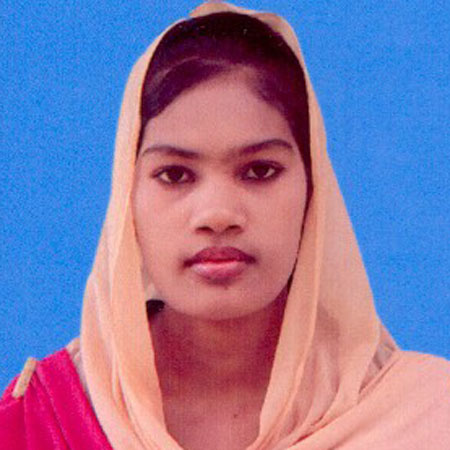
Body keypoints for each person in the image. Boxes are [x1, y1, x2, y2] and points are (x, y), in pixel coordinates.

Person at [1, 1, 449, 449]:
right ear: (127, 197)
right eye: (175, 175)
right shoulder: (38, 422)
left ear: (314, 191)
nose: (217, 214)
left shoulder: (427, 417)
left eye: (259, 171)